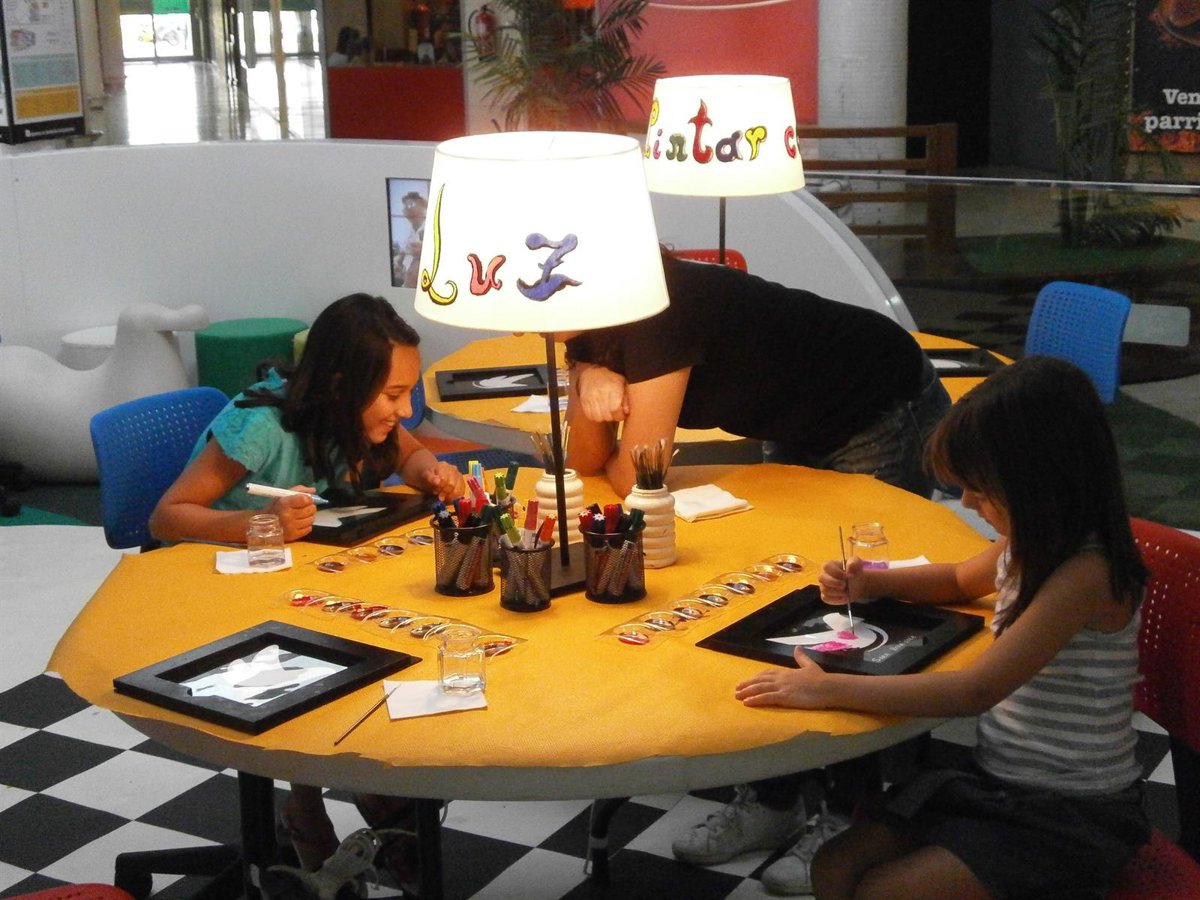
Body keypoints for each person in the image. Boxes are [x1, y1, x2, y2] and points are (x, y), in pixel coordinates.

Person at [563, 250, 953, 888]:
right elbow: (584, 460)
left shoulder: (658, 307)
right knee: (785, 602)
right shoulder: (595, 317)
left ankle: (849, 819)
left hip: (874, 399)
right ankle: (775, 800)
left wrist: (589, 384)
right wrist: (585, 375)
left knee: (853, 612)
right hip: (798, 417)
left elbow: (637, 475)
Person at [735, 356, 1150, 899]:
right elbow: (958, 579)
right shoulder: (1028, 542)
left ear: (1041, 481)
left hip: (1073, 813)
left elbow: (974, 692)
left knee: (883, 891)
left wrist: (825, 687)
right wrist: (872, 582)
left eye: (981, 489)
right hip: (998, 782)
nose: (967, 502)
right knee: (833, 867)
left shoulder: (1086, 573)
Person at [150, 293, 465, 877]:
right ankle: (310, 800)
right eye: (393, 394)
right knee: (323, 653)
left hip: (295, 577)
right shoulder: (261, 425)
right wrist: (258, 523)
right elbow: (167, 517)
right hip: (214, 586)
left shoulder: (358, 419)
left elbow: (411, 452)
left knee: (382, 627)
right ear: (343, 384)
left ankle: (366, 782)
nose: (404, 409)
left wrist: (432, 473)